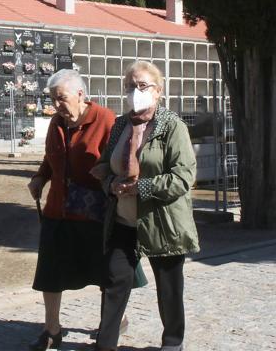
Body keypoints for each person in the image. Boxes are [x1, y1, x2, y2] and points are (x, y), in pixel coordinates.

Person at [90, 61, 200, 351]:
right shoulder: (120, 125)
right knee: (114, 282)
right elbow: (105, 165)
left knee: (169, 289)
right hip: (124, 220)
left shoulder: (172, 126)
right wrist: (110, 184)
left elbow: (183, 177)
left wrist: (142, 187)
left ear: (158, 91)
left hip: (162, 222)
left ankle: (172, 343)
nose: (134, 92)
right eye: (130, 86)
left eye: (142, 86)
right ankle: (105, 345)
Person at [27, 69, 116, 350]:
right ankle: (52, 329)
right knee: (50, 272)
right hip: (58, 210)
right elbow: (51, 156)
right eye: (53, 99)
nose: (56, 106)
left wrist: (104, 174)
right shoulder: (57, 122)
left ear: (80, 94)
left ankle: (112, 324)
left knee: (106, 274)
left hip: (93, 213)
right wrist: (41, 176)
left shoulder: (105, 120)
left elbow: (119, 161)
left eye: (61, 98)